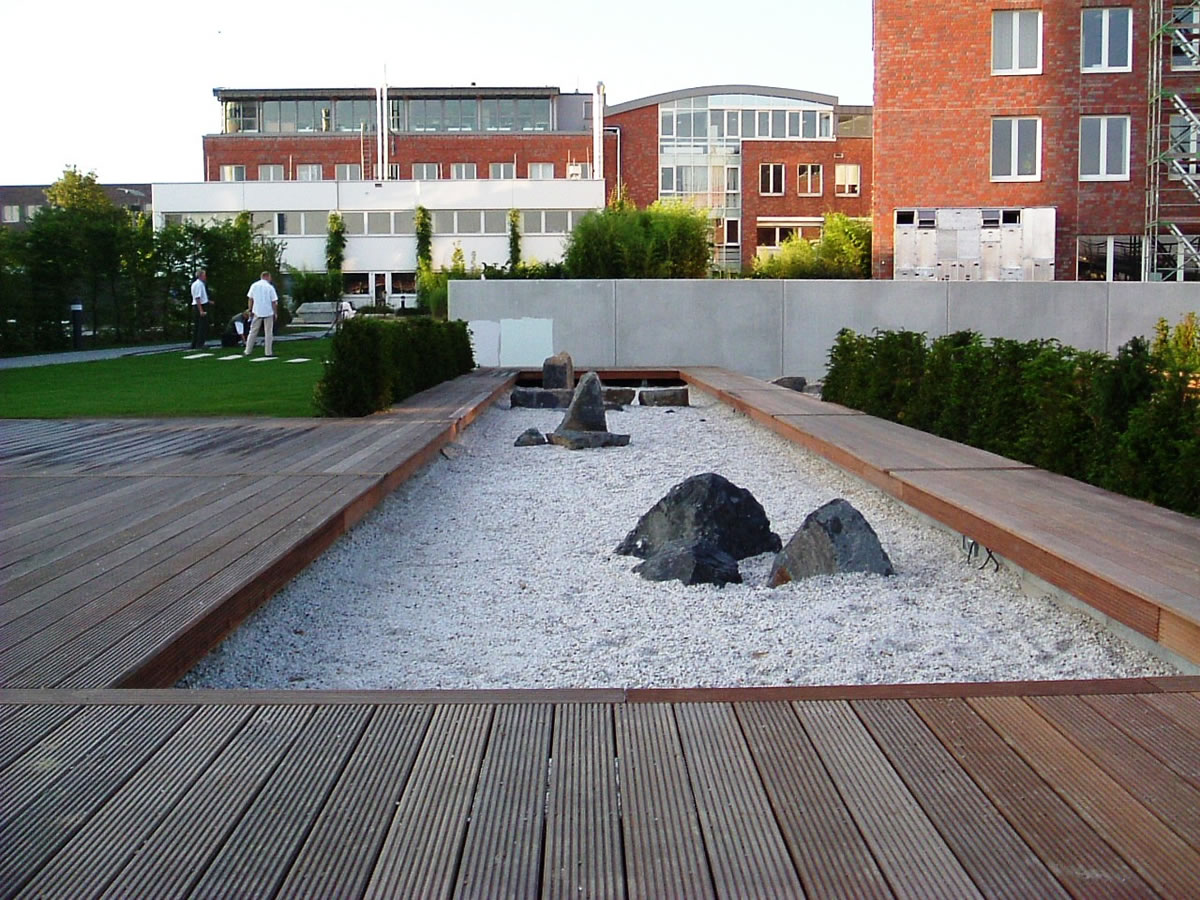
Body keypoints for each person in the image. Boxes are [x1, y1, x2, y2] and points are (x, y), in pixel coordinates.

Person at [243, 271, 279, 357]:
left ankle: (248, 351)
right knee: (268, 332)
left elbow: (250, 299)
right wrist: (275, 313)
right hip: (268, 311)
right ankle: (268, 352)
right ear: (267, 277)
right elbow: (274, 302)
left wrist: (250, 310)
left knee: (253, 331)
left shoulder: (254, 285)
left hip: (257, 311)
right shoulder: (270, 287)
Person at [189, 270, 210, 349]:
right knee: (202, 326)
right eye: (204, 275)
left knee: (197, 326)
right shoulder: (199, 285)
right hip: (200, 306)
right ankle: (200, 344)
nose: (205, 277)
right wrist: (201, 310)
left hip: (197, 305)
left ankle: (194, 343)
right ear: (201, 276)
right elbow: (198, 298)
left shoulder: (195, 284)